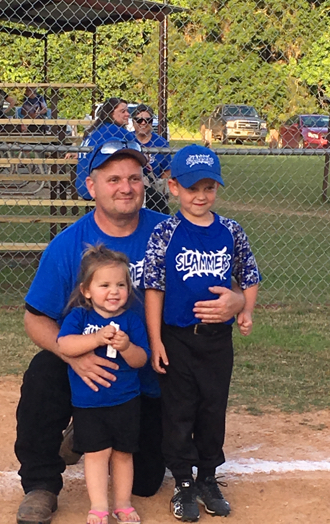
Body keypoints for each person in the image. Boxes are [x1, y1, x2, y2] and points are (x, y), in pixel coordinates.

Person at [15, 136, 246, 524]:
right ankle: (40, 483)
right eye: (113, 179)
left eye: (134, 178)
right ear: (91, 186)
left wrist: (236, 300)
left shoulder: (172, 231)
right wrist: (73, 355)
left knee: (146, 482)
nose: (126, 187)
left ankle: (88, 431)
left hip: (146, 371)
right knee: (43, 372)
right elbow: (35, 318)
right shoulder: (68, 245)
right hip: (89, 362)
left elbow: (229, 278)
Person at [143, 144, 261, 522]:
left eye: (209, 188)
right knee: (179, 411)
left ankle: (208, 477)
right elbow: (154, 288)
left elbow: (250, 275)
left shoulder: (230, 231)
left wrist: (245, 310)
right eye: (192, 188)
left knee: (212, 409)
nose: (201, 196)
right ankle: (182, 481)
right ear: (173, 187)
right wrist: (156, 340)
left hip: (216, 341)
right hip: (177, 337)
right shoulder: (166, 232)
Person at [57, 244, 150, 524]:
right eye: (104, 285)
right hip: (89, 403)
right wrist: (96, 338)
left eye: (121, 285)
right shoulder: (80, 317)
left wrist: (127, 347)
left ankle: (123, 504)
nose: (114, 291)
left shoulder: (131, 321)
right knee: (96, 454)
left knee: (123, 454)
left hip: (125, 401)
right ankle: (99, 506)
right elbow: (65, 345)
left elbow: (140, 360)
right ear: (86, 290)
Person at [75, 97, 133, 199]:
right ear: (110, 114)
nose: (127, 114)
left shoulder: (95, 130)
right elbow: (137, 145)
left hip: (82, 186)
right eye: (123, 111)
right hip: (96, 187)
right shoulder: (114, 130)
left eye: (127, 111)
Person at [133, 104, 171, 215]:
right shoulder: (128, 139)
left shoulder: (161, 142)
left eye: (147, 120)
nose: (143, 123)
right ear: (133, 122)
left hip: (154, 188)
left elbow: (167, 170)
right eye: (139, 120)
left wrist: (159, 186)